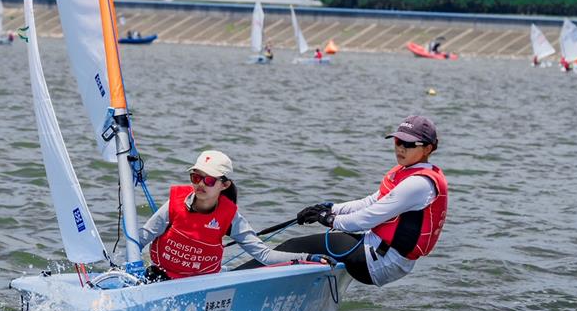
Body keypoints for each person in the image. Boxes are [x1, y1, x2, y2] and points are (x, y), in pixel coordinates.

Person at [265, 116, 448, 287]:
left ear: (427, 149)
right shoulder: (406, 172)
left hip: (382, 262)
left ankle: (240, 279)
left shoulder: (419, 183)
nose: (400, 148)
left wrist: (329, 219)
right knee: (305, 249)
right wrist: (331, 208)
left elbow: (367, 218)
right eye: (398, 141)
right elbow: (370, 202)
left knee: (293, 246)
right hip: (378, 250)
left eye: (408, 144)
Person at [138, 150, 314, 281]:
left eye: (209, 180)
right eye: (196, 177)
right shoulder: (173, 206)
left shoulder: (231, 218)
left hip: (203, 282)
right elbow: (140, 240)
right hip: (162, 277)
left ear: (224, 185)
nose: (200, 184)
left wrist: (307, 258)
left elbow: (265, 256)